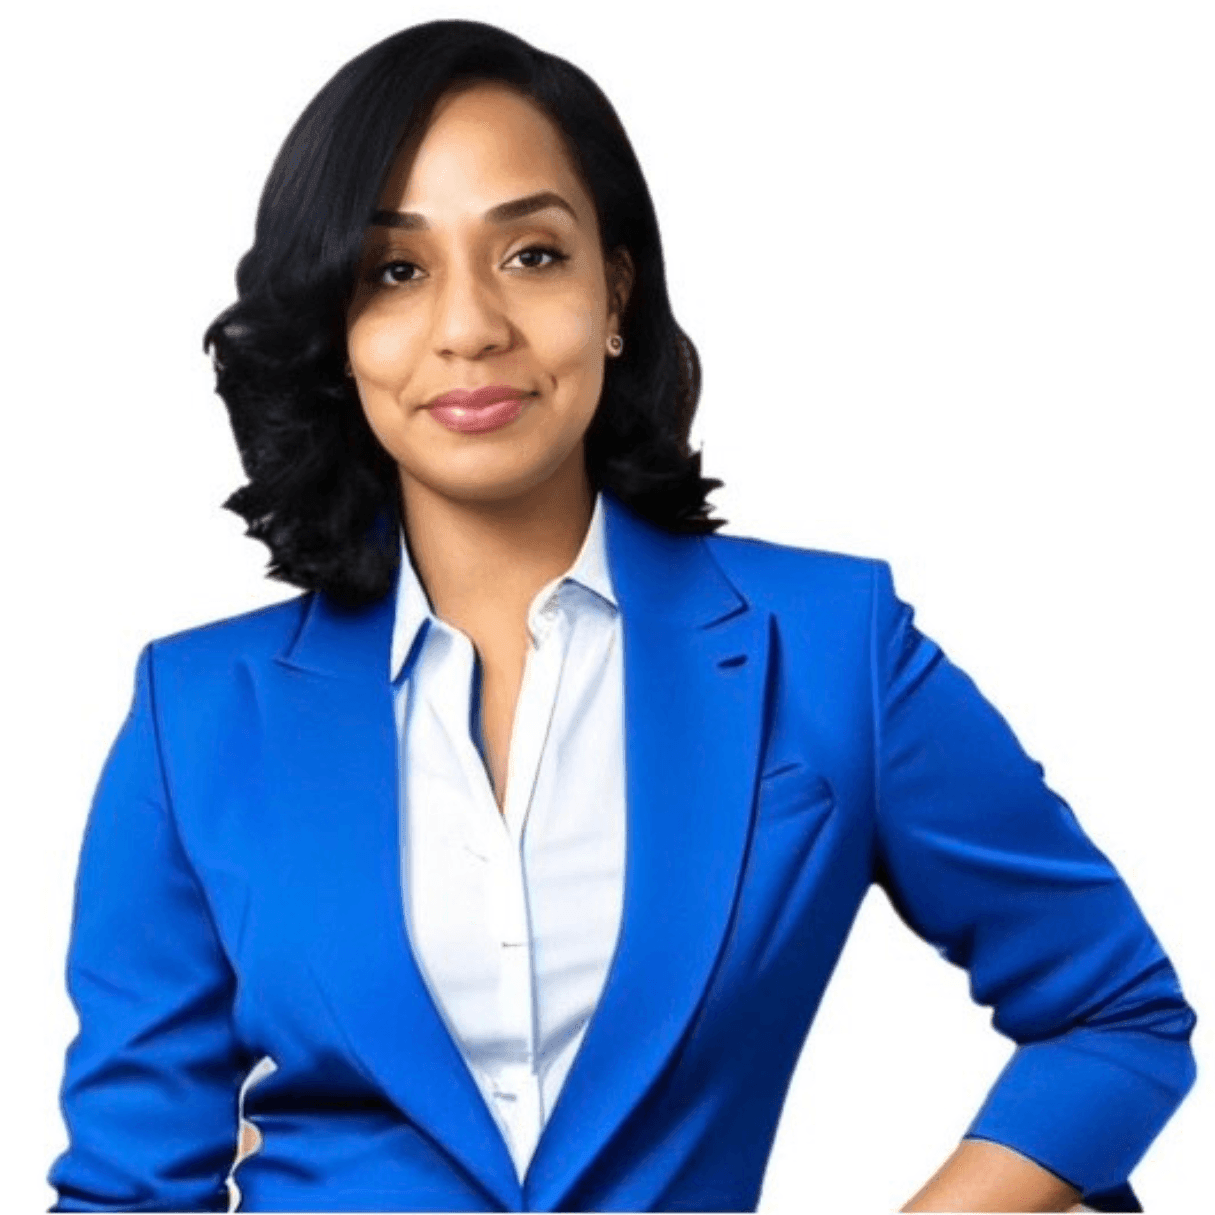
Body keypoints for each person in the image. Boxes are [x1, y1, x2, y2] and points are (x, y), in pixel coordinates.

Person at [46, 17, 1196, 1214]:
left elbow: (1112, 1015)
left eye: (531, 255)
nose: (469, 325)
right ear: (341, 336)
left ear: (615, 293)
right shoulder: (195, 717)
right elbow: (131, 1187)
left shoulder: (828, 647)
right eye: (396, 270)